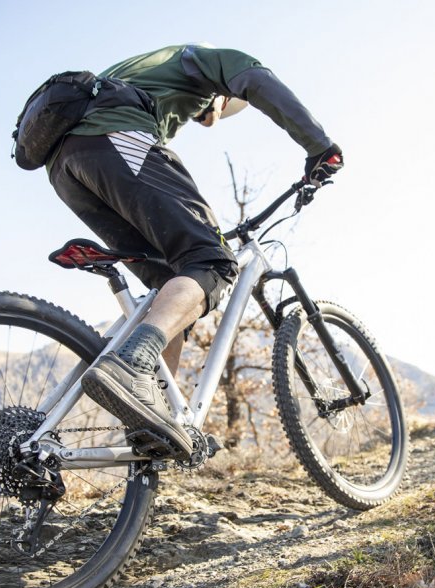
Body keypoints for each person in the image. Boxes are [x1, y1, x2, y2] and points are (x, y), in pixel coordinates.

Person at [46, 44, 343, 459]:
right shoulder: (209, 60)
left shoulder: (145, 73)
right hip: (110, 138)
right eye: (219, 111)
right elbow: (258, 81)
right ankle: (133, 367)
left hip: (65, 167)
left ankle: (154, 417)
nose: (209, 121)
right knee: (213, 262)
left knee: (173, 288)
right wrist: (319, 145)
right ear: (224, 96)